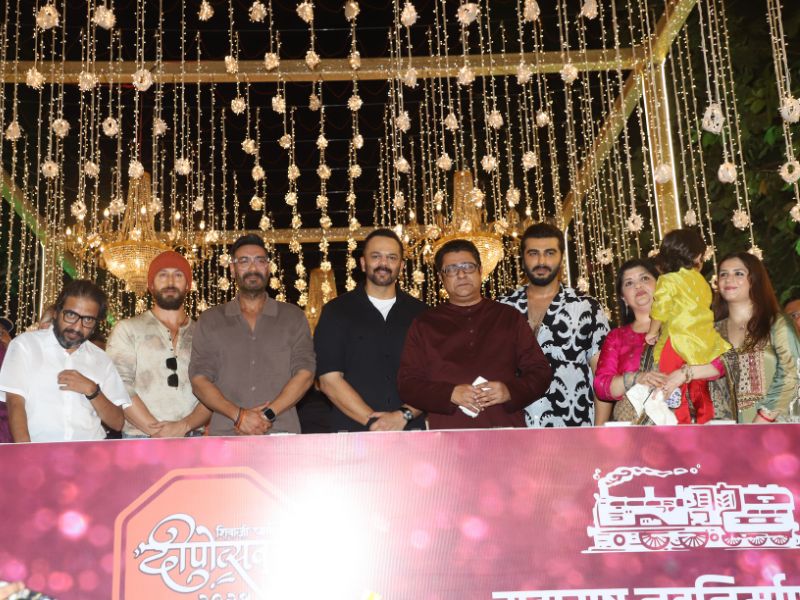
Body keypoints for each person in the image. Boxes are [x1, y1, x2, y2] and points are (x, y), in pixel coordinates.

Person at [397, 239, 552, 429]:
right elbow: (408, 385)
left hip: (505, 429)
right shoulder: (424, 324)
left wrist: (509, 391)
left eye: (468, 267)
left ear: (480, 271)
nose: (461, 274)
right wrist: (450, 394)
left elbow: (540, 372)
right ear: (441, 277)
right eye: (451, 269)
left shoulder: (508, 317)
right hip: (448, 435)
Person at [189, 234, 315, 436]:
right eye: (244, 261)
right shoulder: (210, 320)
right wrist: (239, 416)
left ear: (268, 267)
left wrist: (268, 414)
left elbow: (305, 373)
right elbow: (199, 379)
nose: (253, 268)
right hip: (226, 435)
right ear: (232, 269)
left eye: (260, 260)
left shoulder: (293, 317)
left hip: (281, 433)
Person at [315, 228, 427, 431]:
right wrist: (375, 423)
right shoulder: (336, 311)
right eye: (376, 256)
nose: (383, 263)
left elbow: (432, 377)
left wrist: (403, 416)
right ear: (363, 263)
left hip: (411, 430)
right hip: (353, 433)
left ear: (401, 265)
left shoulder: (422, 314)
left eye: (391, 257)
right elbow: (329, 380)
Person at [499, 223, 610, 427]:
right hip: (514, 428)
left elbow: (603, 375)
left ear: (561, 257)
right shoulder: (502, 308)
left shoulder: (587, 306)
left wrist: (599, 432)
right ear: (522, 258)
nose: (541, 261)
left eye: (550, 253)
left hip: (574, 428)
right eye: (533, 253)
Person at [593, 258, 724, 424]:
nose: (638, 286)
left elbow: (722, 363)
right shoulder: (617, 337)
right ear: (623, 297)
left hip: (687, 424)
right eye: (629, 283)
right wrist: (636, 378)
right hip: (635, 429)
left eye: (644, 278)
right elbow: (601, 386)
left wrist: (684, 374)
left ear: (661, 284)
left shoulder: (688, 324)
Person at [0, 280, 130, 442]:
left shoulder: (101, 359)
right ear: (56, 312)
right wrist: (27, 453)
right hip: (40, 451)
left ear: (96, 324)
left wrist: (92, 390)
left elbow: (117, 423)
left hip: (91, 453)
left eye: (88, 320)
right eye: (71, 315)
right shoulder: (25, 345)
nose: (77, 327)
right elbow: (15, 404)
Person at [107, 251, 211, 438]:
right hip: (139, 438)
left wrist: (184, 426)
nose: (170, 281)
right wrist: (156, 432)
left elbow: (214, 389)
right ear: (151, 285)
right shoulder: (127, 329)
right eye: (162, 275)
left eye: (178, 275)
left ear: (188, 285)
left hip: (192, 437)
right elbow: (119, 385)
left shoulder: (204, 334)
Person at [645, 229, 730, 424]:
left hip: (677, 340)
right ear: (697, 256)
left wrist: (652, 332)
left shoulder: (668, 280)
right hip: (703, 343)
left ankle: (681, 425)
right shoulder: (702, 282)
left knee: (671, 386)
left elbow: (660, 310)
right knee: (699, 386)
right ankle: (704, 420)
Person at [712, 252, 800, 423]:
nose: (729, 279)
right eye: (723, 274)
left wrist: (763, 419)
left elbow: (792, 372)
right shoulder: (712, 331)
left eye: (738, 273)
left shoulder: (776, 323)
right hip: (727, 430)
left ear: (755, 280)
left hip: (777, 426)